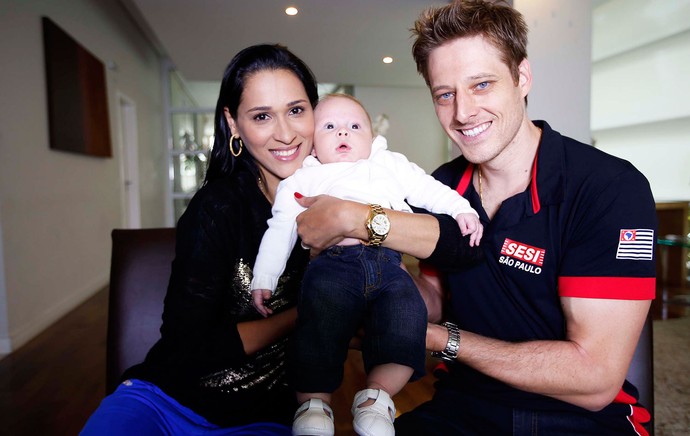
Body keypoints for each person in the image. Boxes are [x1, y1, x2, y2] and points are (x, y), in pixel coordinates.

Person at [293, 1, 657, 435]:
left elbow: (595, 378)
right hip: (461, 407)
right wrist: (363, 269)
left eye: (481, 85)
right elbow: (429, 297)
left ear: (522, 77)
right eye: (445, 94)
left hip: (581, 420)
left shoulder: (609, 187)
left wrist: (439, 339)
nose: (463, 113)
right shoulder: (442, 187)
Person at [81, 44, 319, 435]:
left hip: (263, 417)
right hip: (167, 402)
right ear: (234, 123)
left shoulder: (339, 203)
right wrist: (302, 314)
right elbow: (187, 344)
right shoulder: (218, 207)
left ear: (315, 111)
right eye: (262, 116)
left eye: (296, 110)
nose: (286, 133)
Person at [249, 93, 482, 436]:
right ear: (313, 146)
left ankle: (377, 398)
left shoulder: (388, 163)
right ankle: (313, 404)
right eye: (330, 127)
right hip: (333, 266)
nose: (343, 133)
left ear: (371, 139)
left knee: (407, 319)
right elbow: (280, 227)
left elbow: (427, 189)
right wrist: (264, 276)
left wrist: (463, 210)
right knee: (317, 325)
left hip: (389, 265)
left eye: (354, 126)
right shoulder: (304, 179)